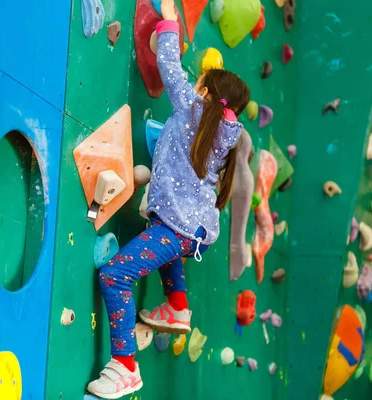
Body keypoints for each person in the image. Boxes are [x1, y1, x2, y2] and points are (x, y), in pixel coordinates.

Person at [87, 0, 250, 397]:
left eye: (201, 81)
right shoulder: (222, 136)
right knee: (163, 231)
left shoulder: (194, 109)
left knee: (115, 274)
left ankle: (125, 366)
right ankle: (177, 306)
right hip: (190, 229)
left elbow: (169, 67)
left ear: (206, 91)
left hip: (180, 227)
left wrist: (171, 23)